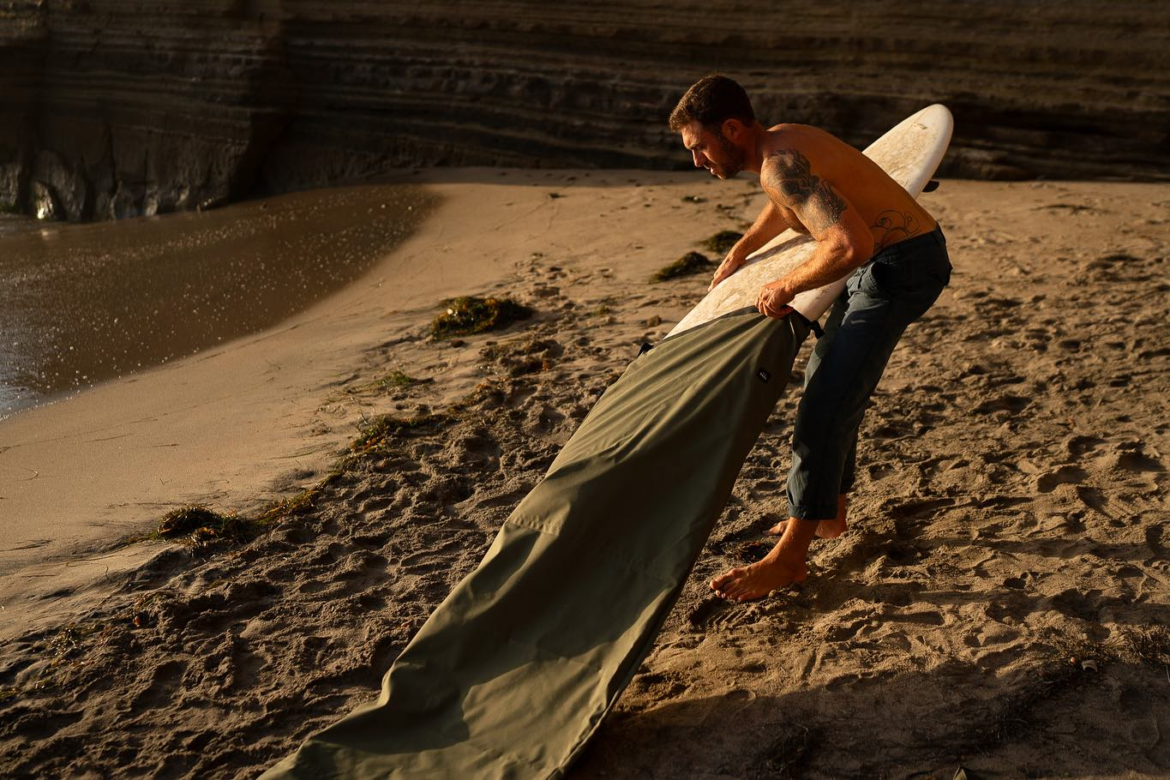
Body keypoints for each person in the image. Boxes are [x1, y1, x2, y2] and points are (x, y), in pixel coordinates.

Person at [669, 75, 952, 602]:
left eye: (700, 146)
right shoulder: (784, 142)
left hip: (901, 268)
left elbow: (848, 244)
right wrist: (741, 253)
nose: (698, 161)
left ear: (731, 129)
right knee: (828, 382)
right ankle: (830, 514)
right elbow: (789, 204)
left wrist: (786, 284)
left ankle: (790, 559)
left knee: (825, 405)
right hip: (891, 258)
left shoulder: (778, 166)